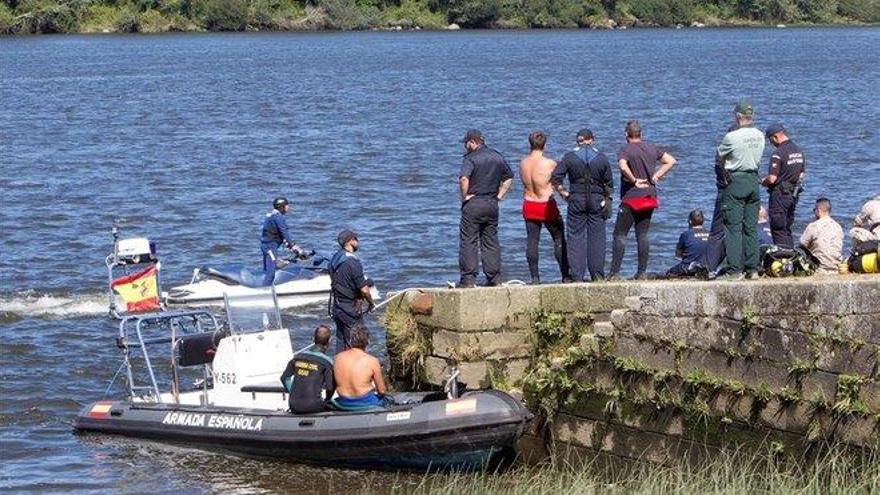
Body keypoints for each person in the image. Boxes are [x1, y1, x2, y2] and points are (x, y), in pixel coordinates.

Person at [609, 120, 676, 280]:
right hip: (649, 196)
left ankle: (614, 273)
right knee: (643, 234)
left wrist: (633, 180)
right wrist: (657, 175)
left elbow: (623, 166)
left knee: (620, 234)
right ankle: (641, 272)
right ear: (641, 134)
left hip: (632, 196)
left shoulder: (626, 149)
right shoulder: (651, 147)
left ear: (626, 135)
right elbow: (671, 160)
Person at [552, 128, 614, 282]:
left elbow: (555, 179)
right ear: (592, 140)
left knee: (575, 237)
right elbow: (609, 183)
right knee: (597, 237)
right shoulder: (601, 158)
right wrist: (606, 198)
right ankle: (597, 275)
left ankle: (577, 275)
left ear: (577, 141)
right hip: (596, 199)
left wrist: (564, 193)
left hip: (576, 198)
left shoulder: (569, 157)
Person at [458, 129, 514, 288]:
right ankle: (494, 278)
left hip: (474, 203)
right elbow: (509, 177)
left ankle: (468, 279)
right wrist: (500, 195)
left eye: (466, 143)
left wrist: (464, 196)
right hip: (491, 203)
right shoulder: (497, 156)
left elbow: (463, 178)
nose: (465, 146)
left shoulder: (470, 158)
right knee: (490, 241)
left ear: (473, 142)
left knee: (469, 241)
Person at [717, 101, 765, 280]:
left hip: (736, 180)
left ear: (737, 117)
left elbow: (721, 157)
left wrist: (725, 173)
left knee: (733, 227)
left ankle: (734, 269)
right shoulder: (760, 135)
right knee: (751, 227)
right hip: (753, 179)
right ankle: (752, 268)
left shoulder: (732, 137)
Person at [520, 131, 570, 284]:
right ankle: (565, 275)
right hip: (545, 204)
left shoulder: (523, 163)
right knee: (558, 237)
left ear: (530, 144)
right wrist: (566, 196)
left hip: (529, 203)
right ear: (545, 145)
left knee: (532, 241)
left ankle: (535, 278)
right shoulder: (550, 163)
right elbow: (556, 183)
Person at [329, 230, 374, 354]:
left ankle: (338, 369)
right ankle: (357, 370)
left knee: (341, 341)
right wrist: (371, 302)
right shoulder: (353, 262)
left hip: (337, 306)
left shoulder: (335, 258)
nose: (358, 241)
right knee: (358, 342)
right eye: (356, 239)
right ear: (350, 242)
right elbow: (364, 290)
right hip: (349, 308)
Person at [762, 123, 806, 248]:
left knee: (778, 229)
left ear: (775, 137)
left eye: (770, 140)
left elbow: (772, 179)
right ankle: (791, 258)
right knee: (787, 228)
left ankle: (783, 259)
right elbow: (801, 174)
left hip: (779, 195)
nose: (771, 143)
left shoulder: (778, 153)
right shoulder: (798, 151)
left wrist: (761, 181)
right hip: (793, 194)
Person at [280, 325, 335, 414]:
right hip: (313, 406)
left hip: (293, 405)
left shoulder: (297, 358)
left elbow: (284, 378)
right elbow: (330, 387)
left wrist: (293, 393)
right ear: (329, 343)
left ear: (313, 339)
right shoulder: (327, 362)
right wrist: (327, 400)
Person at [331, 325, 388, 411]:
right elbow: (382, 390)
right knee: (387, 400)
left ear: (350, 341)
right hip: (365, 402)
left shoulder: (337, 358)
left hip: (343, 402)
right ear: (368, 341)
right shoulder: (372, 361)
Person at [260, 197, 303, 286]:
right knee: (271, 273)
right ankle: (264, 292)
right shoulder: (277, 217)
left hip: (267, 246)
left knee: (267, 269)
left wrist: (287, 243)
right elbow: (284, 232)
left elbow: (274, 232)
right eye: (287, 205)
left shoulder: (271, 215)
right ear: (282, 207)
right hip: (270, 248)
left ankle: (264, 286)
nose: (288, 207)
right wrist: (293, 245)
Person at [800, 197, 843, 274]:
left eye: (814, 210)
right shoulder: (838, 227)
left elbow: (802, 246)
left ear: (818, 210)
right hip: (836, 268)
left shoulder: (813, 226)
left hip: (819, 268)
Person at [666, 210, 709, 277]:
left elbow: (678, 254)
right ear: (703, 221)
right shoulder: (710, 234)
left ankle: (693, 270)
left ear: (690, 221)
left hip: (688, 266)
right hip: (707, 266)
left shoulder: (686, 234)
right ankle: (700, 270)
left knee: (669, 272)